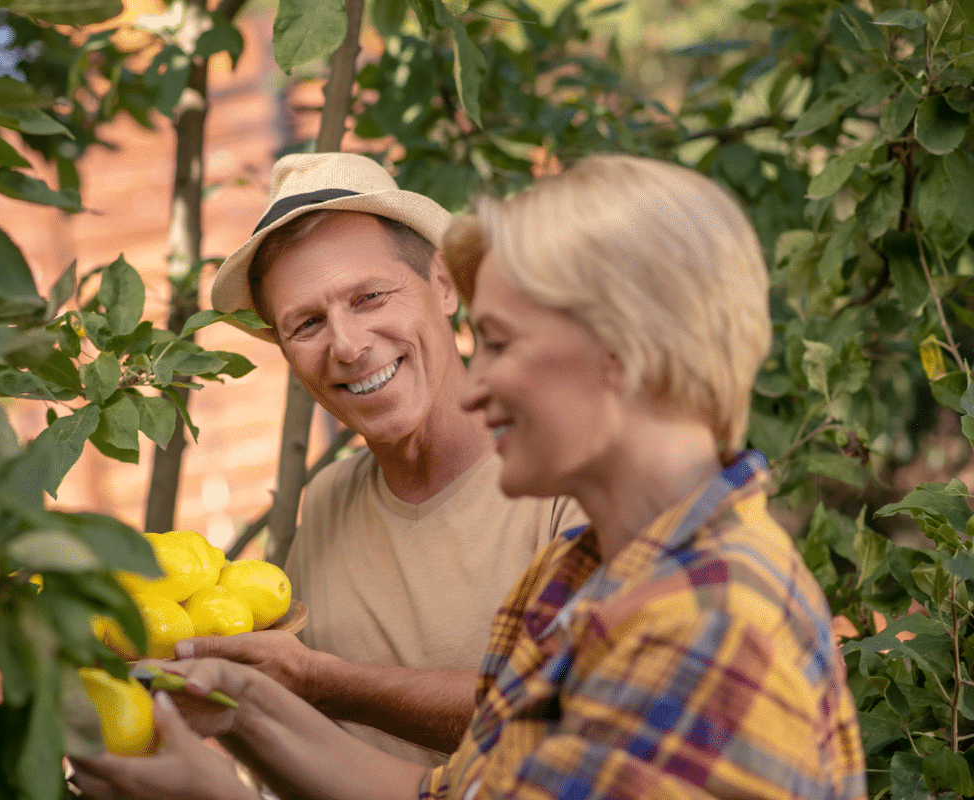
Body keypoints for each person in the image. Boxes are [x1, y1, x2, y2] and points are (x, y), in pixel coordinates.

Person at [72, 153, 867, 800]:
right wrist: (241, 704)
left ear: (619, 356)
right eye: (307, 323)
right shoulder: (577, 578)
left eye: (502, 342)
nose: (477, 388)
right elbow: (445, 793)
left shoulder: (704, 628)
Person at [184, 151, 587, 765]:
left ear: (445, 284)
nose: (347, 346)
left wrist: (320, 681)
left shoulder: (572, 473)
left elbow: (570, 713)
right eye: (307, 324)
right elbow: (315, 749)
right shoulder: (324, 507)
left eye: (370, 297)